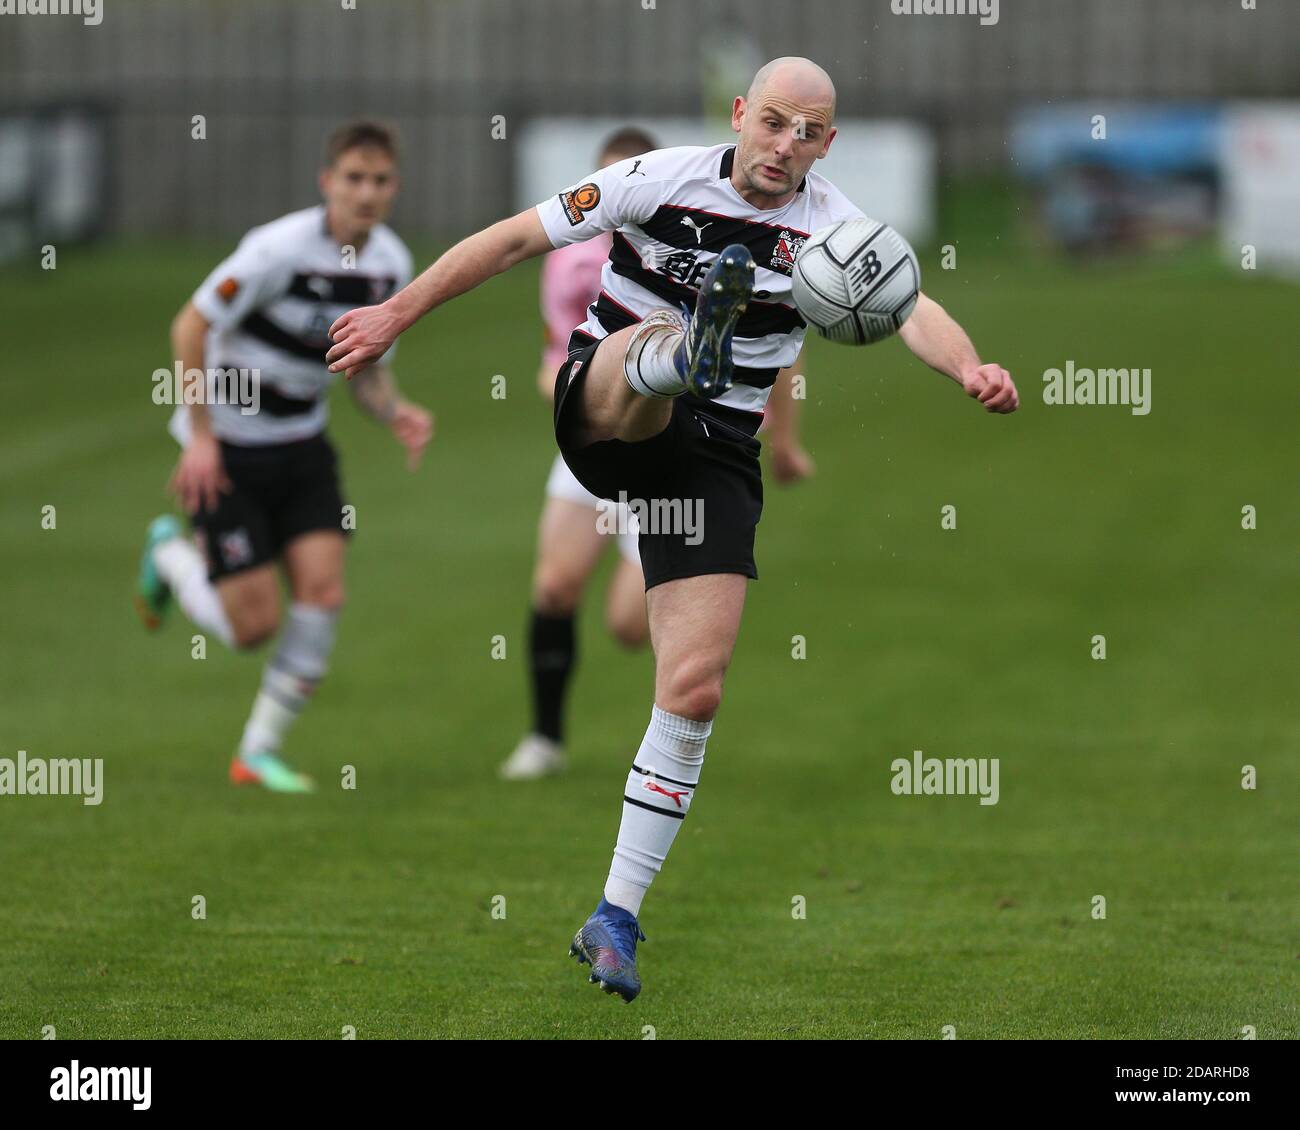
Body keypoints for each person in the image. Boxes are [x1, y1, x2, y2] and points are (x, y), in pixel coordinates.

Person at [326, 58, 1018, 1000]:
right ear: (740, 114)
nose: (785, 146)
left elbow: (909, 304)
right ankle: (680, 351)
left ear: (828, 141)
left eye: (807, 131)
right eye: (772, 122)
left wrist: (970, 367)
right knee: (637, 363)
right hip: (605, 408)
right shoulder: (653, 181)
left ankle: (614, 914)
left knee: (693, 689)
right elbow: (509, 241)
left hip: (715, 455)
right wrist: (397, 312)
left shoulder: (836, 227)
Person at [502, 125, 818, 781]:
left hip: (678, 454)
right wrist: (564, 385)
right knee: (555, 585)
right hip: (597, 432)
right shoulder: (569, 262)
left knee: (626, 624)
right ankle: (544, 738)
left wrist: (785, 441)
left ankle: (667, 737)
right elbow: (554, 349)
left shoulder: (704, 244)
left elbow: (778, 355)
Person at [135, 120, 433, 793]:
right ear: (327, 182)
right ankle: (169, 556)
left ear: (395, 187)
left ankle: (256, 753)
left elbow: (365, 370)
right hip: (230, 450)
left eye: (380, 180)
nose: (367, 192)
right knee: (252, 628)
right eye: (353, 178)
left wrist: (396, 411)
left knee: (323, 593)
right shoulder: (275, 250)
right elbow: (192, 323)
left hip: (302, 446)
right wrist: (202, 438)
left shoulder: (390, 263)